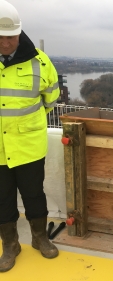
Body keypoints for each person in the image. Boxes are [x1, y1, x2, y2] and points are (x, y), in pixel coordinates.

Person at [0, 0, 60, 272]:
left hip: (28, 145)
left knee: (34, 194)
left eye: (10, 37)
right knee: (2, 198)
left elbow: (51, 98)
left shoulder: (39, 62)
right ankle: (10, 245)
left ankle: (39, 238)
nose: (4, 43)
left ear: (19, 33)